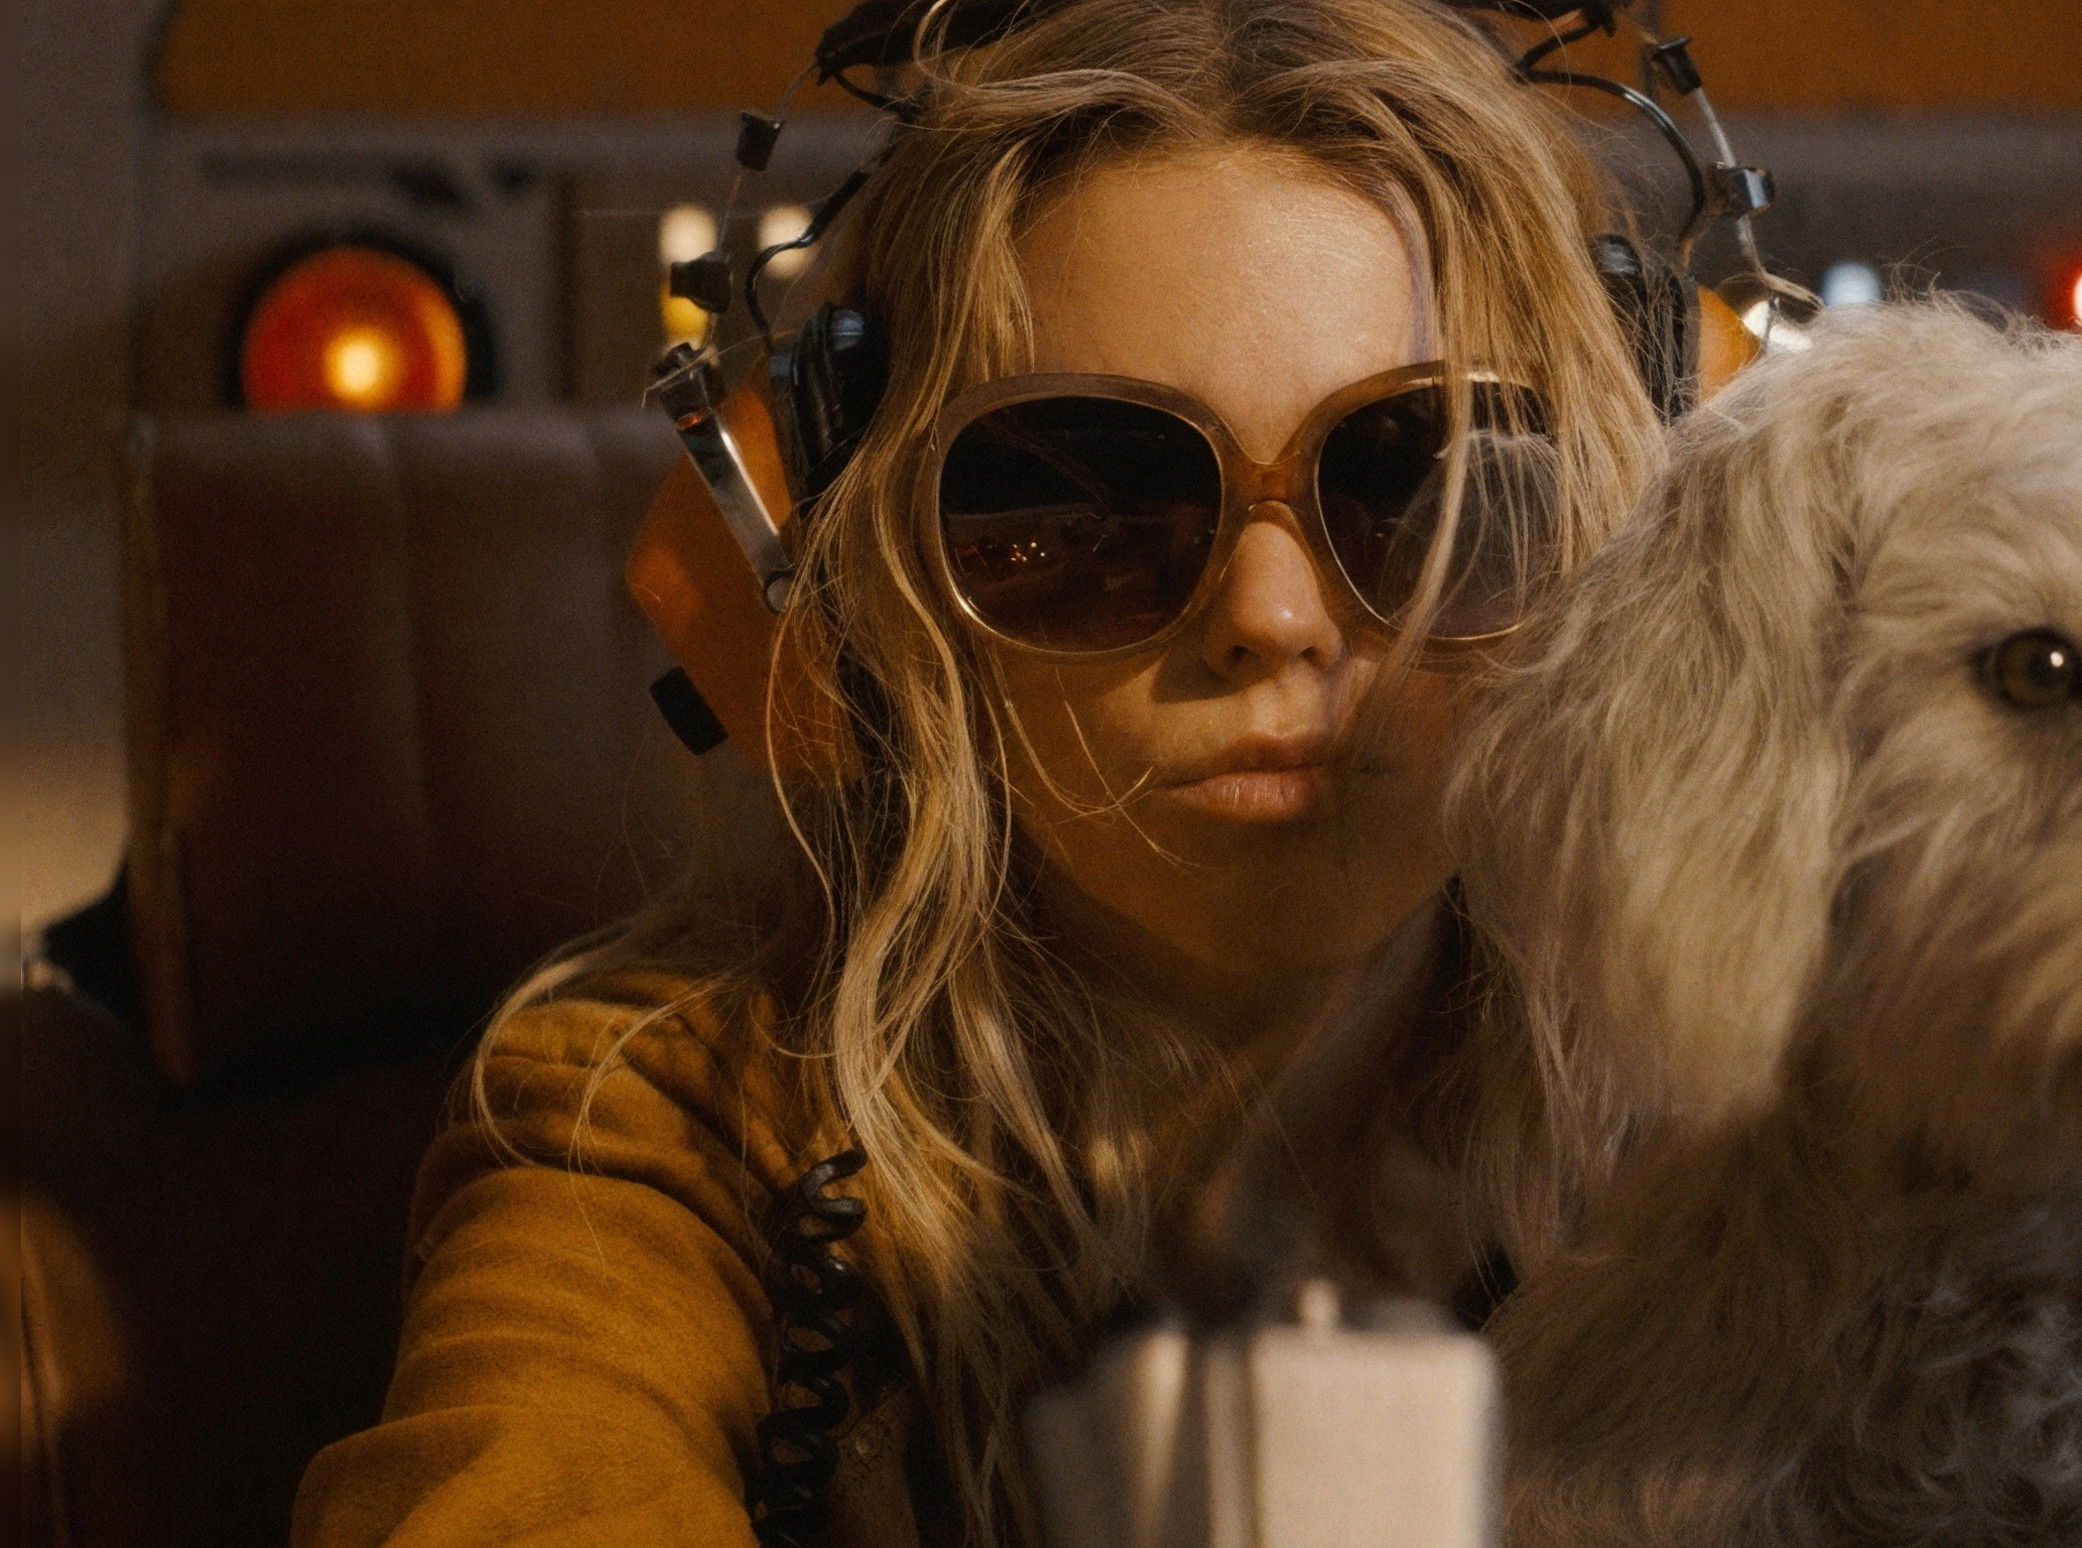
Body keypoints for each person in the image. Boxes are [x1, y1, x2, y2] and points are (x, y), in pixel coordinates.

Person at [290, 2, 1663, 1544]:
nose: (1273, 618)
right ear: (855, 585)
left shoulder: (1756, 1109)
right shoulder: (651, 1129)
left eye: (1416, 481)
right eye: (1087, 504)